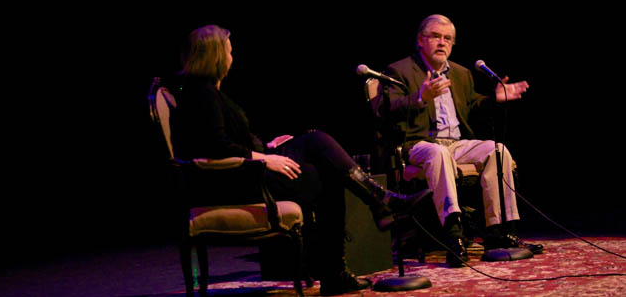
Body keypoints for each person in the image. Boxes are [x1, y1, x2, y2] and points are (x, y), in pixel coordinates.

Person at [167, 24, 432, 296]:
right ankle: (375, 211)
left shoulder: (206, 91)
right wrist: (265, 159)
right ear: (215, 56)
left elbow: (228, 139)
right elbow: (216, 147)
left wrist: (267, 147)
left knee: (318, 145)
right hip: (235, 179)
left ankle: (377, 209)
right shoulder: (202, 93)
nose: (232, 58)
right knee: (325, 169)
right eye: (229, 52)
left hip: (248, 168)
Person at [379, 14, 543, 267]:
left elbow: (473, 106)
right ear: (420, 40)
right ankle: (453, 236)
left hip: (456, 144)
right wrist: (421, 97)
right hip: (417, 144)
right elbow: (386, 110)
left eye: (448, 39)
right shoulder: (398, 70)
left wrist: (494, 99)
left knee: (497, 151)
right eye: (435, 36)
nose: (442, 43)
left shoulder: (461, 73)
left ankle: (499, 231)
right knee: (438, 154)